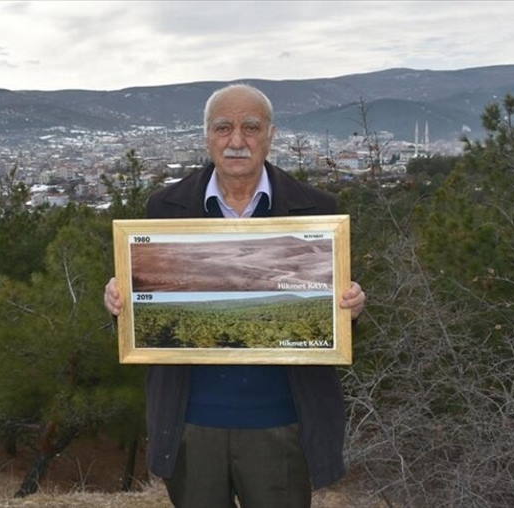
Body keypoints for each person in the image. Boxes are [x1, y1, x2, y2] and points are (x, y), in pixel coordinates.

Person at [104, 84, 366, 508]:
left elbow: (339, 312)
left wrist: (352, 307)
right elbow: (147, 310)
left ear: (270, 134)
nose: (237, 141)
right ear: (207, 135)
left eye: (250, 127)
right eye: (224, 128)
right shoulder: (164, 208)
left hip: (282, 422)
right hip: (190, 423)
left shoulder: (318, 210)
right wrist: (119, 303)